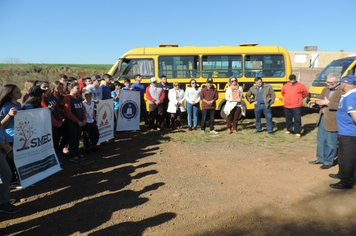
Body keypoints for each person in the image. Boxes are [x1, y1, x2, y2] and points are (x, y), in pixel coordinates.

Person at [308, 73, 344, 170]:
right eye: (327, 82)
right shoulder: (325, 89)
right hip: (323, 117)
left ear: (338, 82)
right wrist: (315, 103)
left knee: (330, 142)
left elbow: (343, 106)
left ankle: (328, 161)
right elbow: (321, 102)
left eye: (331, 83)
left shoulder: (342, 91)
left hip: (333, 120)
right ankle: (320, 158)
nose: (328, 84)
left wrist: (329, 103)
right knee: (320, 140)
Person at [329, 75, 356, 189]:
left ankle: (346, 181)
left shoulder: (351, 97)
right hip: (346, 132)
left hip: (349, 134)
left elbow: (355, 117)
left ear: (344, 84)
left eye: (340, 83)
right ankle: (343, 174)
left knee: (347, 158)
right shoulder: (349, 95)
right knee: (345, 156)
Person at [0, 84, 22, 188]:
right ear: (10, 95)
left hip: (20, 136)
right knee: (11, 161)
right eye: (17, 92)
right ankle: (13, 181)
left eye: (19, 91)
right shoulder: (5, 107)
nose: (20, 93)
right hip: (10, 138)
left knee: (19, 159)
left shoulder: (18, 104)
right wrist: (9, 115)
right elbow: (1, 125)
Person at [63, 82, 87, 163]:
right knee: (73, 138)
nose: (79, 90)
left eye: (79, 88)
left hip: (80, 121)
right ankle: (73, 154)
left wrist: (84, 119)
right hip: (72, 122)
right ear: (71, 89)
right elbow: (68, 112)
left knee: (77, 137)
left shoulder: (79, 98)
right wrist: (77, 121)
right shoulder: (67, 98)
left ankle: (77, 152)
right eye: (77, 88)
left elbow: (83, 109)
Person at [0, 126, 21, 214]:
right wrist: (5, 146)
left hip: (2, 147)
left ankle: (3, 200)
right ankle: (3, 203)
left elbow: (0, 126)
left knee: (4, 174)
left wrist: (6, 143)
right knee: (6, 174)